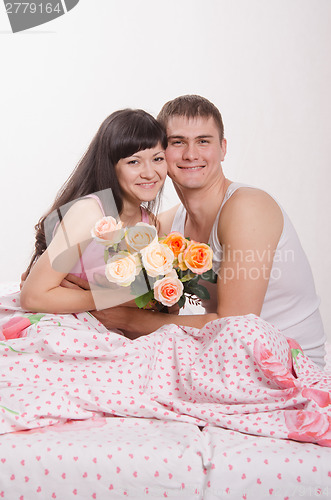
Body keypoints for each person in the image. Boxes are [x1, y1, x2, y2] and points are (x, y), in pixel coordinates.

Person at [89, 95, 326, 368]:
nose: (191, 154)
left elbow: (234, 325)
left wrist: (126, 319)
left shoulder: (248, 208)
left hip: (287, 367)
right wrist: (61, 274)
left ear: (223, 149)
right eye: (178, 142)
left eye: (203, 141)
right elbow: (104, 270)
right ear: (161, 152)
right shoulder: (166, 225)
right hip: (226, 361)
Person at [19, 109, 168, 315]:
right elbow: (32, 297)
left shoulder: (149, 223)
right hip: (68, 323)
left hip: (112, 326)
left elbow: (160, 304)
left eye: (158, 159)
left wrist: (122, 297)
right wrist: (119, 297)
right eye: (134, 161)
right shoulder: (90, 212)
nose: (150, 173)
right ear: (111, 166)